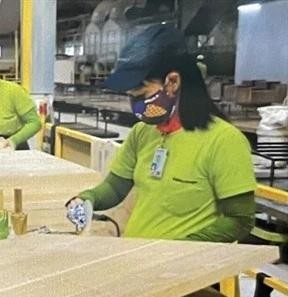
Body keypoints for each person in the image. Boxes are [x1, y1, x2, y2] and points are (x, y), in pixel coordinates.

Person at [66, 26, 256, 242]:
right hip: (138, 258)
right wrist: (88, 199)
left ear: (172, 82)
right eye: (131, 96)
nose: (135, 105)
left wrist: (179, 250)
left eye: (141, 94)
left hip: (184, 269)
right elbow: (115, 188)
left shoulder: (223, 141)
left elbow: (240, 220)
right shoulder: (142, 133)